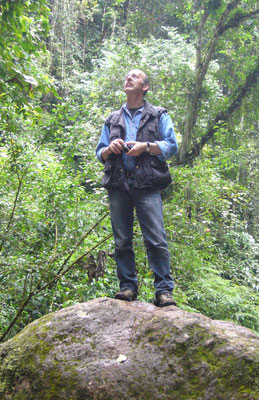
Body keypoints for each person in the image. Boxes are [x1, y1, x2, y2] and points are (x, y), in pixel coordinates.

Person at [96, 69, 178, 307]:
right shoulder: (113, 118)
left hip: (148, 185)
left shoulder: (158, 115)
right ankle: (128, 287)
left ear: (145, 86)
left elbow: (171, 146)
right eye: (127, 76)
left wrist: (146, 146)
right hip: (118, 185)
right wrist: (110, 149)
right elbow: (100, 153)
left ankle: (163, 290)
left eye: (135, 76)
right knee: (122, 241)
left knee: (156, 240)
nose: (128, 78)